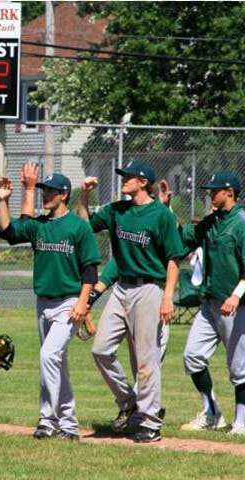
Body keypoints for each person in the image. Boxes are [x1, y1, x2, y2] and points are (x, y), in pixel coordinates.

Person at [76, 160, 186, 443]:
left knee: (146, 358)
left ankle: (150, 421)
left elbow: (174, 259)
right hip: (121, 288)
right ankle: (128, 402)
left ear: (144, 182)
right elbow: (83, 226)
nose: (123, 180)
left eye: (129, 177)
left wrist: (168, 297)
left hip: (148, 289)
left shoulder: (160, 215)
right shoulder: (117, 210)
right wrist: (84, 195)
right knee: (100, 350)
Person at [0, 169, 100, 441]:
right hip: (43, 303)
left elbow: (91, 269)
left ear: (64, 194)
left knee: (48, 357)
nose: (46, 194)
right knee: (56, 362)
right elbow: (9, 232)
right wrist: (4, 200)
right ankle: (68, 424)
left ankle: (48, 419)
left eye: (51, 191)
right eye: (44, 190)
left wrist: (83, 302)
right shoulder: (39, 224)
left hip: (69, 302)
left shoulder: (78, 227)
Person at [179, 172, 245, 435]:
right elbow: (182, 236)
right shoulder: (212, 221)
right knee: (192, 357)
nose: (209, 194)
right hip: (211, 303)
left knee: (239, 366)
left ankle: (240, 423)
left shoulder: (244, 222)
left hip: (238, 304)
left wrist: (236, 294)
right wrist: (165, 206)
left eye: (214, 190)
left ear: (230, 192)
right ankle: (212, 412)